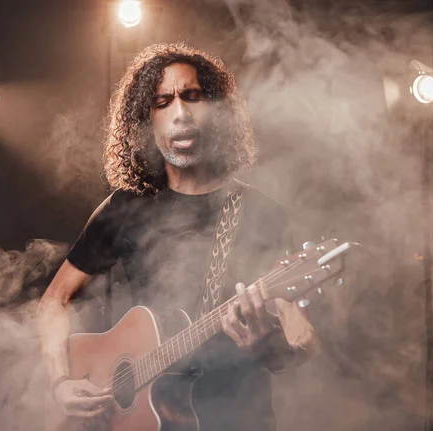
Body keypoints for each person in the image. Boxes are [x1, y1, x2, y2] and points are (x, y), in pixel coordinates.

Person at [38, 42, 316, 431]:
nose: (180, 113)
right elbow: (54, 301)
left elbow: (301, 337)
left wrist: (271, 346)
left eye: (192, 96)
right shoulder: (125, 207)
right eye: (162, 101)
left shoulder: (262, 213)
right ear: (146, 120)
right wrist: (61, 382)